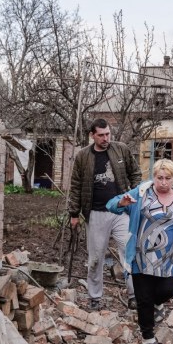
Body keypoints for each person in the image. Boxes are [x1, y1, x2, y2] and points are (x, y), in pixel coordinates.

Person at [106, 159, 173, 344]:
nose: (163, 182)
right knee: (143, 298)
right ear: (153, 177)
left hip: (168, 260)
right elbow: (111, 205)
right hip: (140, 257)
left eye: (167, 178)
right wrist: (121, 203)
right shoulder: (141, 193)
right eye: (159, 177)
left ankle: (157, 304)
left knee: (168, 290)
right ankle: (148, 335)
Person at [68, 118, 142, 310]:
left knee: (129, 252)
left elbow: (136, 173)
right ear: (92, 135)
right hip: (95, 213)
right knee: (95, 258)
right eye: (100, 135)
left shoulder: (121, 149)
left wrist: (135, 195)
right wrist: (74, 213)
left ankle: (134, 294)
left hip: (121, 212)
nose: (105, 138)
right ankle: (94, 297)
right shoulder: (83, 156)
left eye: (107, 134)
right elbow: (75, 186)